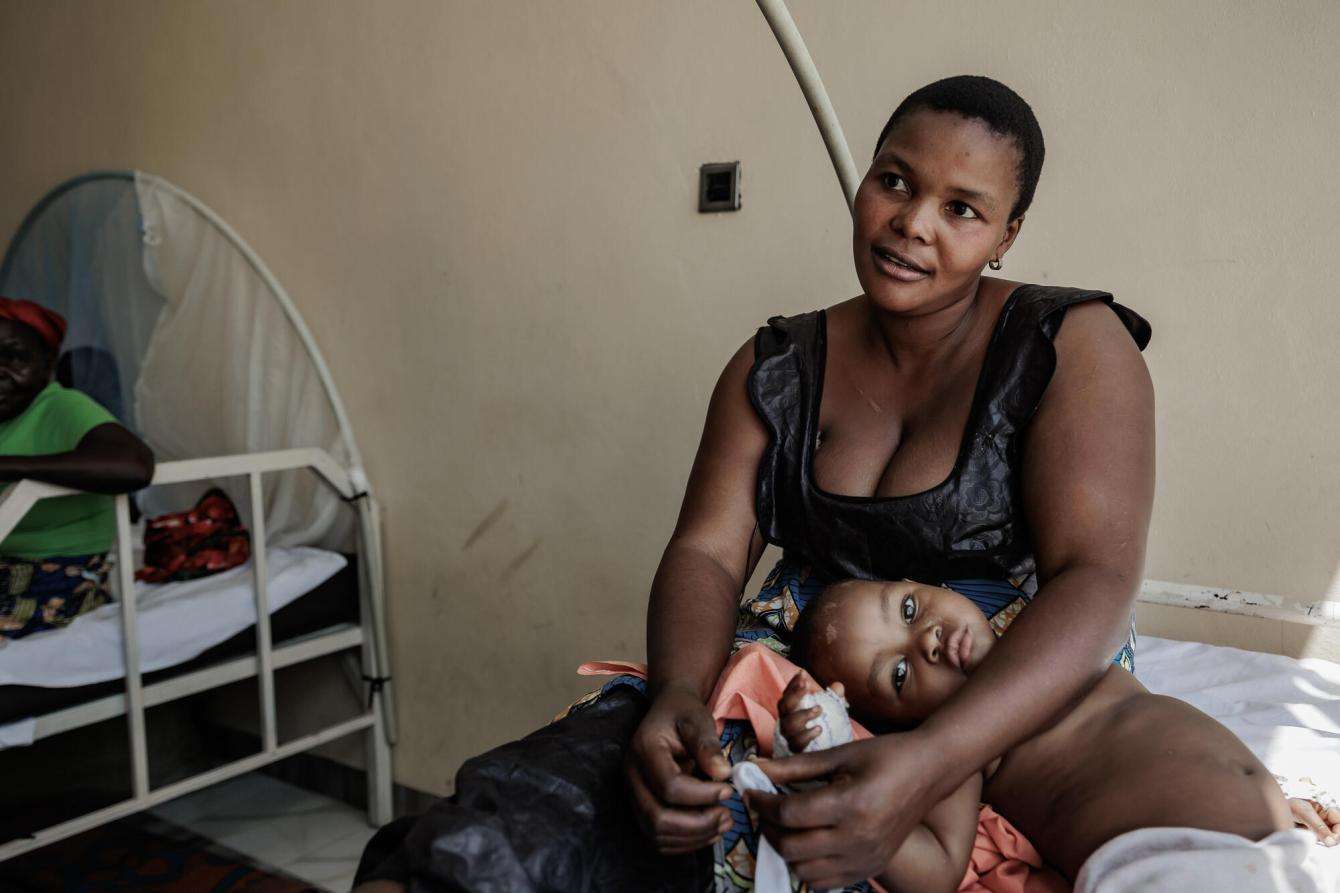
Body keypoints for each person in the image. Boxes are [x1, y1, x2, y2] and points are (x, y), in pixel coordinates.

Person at [354, 74, 1156, 891]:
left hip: (998, 699)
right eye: (895, 181)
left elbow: (1098, 577)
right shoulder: (776, 366)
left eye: (962, 208)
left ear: (1006, 234)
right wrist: (676, 694)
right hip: (790, 672)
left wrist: (926, 761)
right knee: (542, 812)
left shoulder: (1071, 347)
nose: (913, 223)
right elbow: (707, 550)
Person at [764, 577, 1331, 891]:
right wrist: (835, 766)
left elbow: (1170, 745)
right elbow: (936, 867)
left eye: (910, 608)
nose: (927, 641)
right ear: (899, 722)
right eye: (900, 674)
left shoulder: (1058, 637)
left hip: (1267, 852)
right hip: (1158, 869)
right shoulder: (959, 746)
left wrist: (1266, 800)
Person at [0, 297, 155, 640]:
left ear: (48, 363)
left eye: (13, 358)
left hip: (61, 572)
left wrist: (8, 467)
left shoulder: (60, 405)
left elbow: (133, 465)